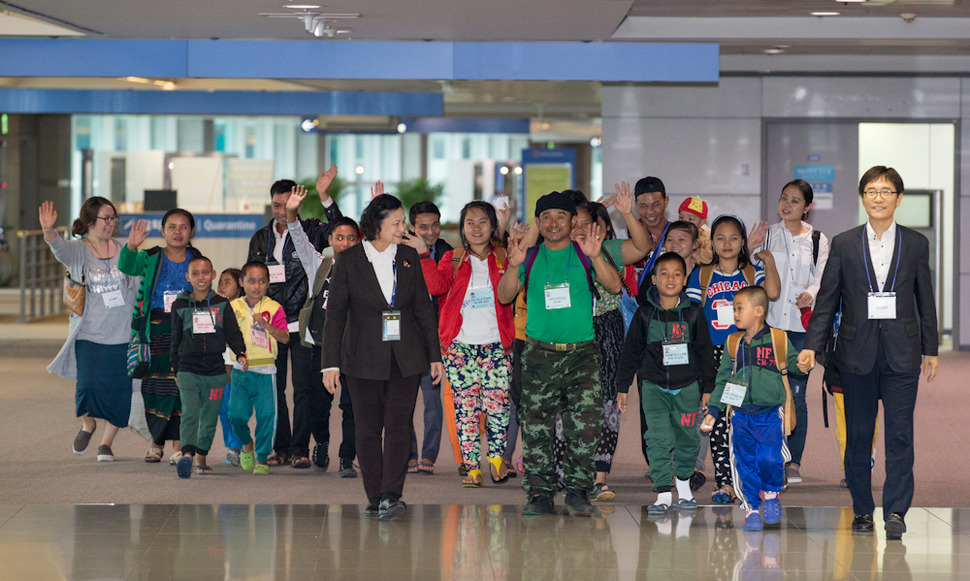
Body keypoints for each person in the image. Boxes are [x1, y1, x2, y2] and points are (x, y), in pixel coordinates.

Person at [798, 165, 939, 540]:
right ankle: (862, 508)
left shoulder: (915, 243)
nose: (879, 198)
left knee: (899, 435)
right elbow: (827, 301)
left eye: (886, 191)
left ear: (899, 198)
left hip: (902, 354)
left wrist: (932, 349)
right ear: (863, 197)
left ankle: (895, 510)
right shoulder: (844, 243)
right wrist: (812, 346)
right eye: (872, 191)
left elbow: (925, 298)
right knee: (858, 435)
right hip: (855, 354)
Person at [496, 190, 621, 517]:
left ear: (571, 222)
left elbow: (614, 286)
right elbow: (505, 296)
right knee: (536, 426)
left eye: (560, 217)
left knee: (584, 425)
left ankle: (579, 490)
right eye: (546, 217)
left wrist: (596, 257)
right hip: (539, 355)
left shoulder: (584, 253)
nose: (553, 223)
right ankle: (540, 493)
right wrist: (512, 267)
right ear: (538, 222)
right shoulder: (530, 256)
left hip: (582, 356)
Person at [322, 194, 444, 521]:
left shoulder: (408, 255)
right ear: (377, 224)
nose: (404, 227)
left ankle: (393, 494)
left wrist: (435, 356)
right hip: (361, 357)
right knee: (367, 429)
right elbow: (335, 314)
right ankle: (374, 496)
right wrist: (330, 363)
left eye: (403, 222)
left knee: (400, 426)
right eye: (398, 222)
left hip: (406, 355)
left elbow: (421, 307)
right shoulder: (348, 260)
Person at [247, 167, 343, 469]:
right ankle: (282, 447)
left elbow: (343, 232)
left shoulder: (312, 230)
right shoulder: (260, 238)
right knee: (273, 391)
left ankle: (301, 448)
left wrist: (326, 197)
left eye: (287, 205)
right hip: (268, 326)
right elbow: (250, 277)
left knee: (303, 388)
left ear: (297, 204)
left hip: (302, 326)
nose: (281, 211)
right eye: (277, 205)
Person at [414, 201, 514, 487]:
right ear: (462, 228)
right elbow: (436, 287)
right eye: (470, 222)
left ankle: (496, 459)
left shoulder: (504, 257)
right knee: (465, 409)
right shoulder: (453, 258)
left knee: (498, 407)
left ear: (492, 226)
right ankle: (472, 467)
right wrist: (423, 253)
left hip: (497, 346)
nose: (476, 228)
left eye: (483, 221)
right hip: (460, 348)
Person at [686, 214, 780, 504]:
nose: (727, 244)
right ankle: (726, 482)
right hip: (715, 357)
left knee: (745, 418)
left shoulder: (752, 274)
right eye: (720, 238)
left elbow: (773, 293)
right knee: (717, 418)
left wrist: (768, 261)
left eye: (734, 238)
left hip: (747, 355)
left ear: (742, 243)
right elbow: (691, 318)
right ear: (711, 242)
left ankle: (753, 481)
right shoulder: (701, 275)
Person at [616, 252, 715, 514]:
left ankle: (683, 486)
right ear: (653, 279)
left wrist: (707, 390)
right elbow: (630, 353)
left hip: (688, 388)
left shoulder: (694, 314)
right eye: (664, 273)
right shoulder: (644, 314)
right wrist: (622, 387)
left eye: (677, 274)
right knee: (657, 438)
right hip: (653, 387)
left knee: (687, 439)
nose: (670, 279)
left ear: (685, 281)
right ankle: (662, 492)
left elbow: (705, 354)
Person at [41, 198, 139, 462]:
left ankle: (106, 444)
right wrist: (49, 231)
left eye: (113, 217)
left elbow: (142, 277)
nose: (112, 223)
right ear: (90, 221)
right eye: (106, 218)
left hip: (122, 335)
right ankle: (88, 424)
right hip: (89, 334)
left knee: (120, 391)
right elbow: (59, 249)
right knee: (86, 387)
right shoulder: (78, 251)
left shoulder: (124, 250)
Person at [572, 185, 650, 501]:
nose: (577, 228)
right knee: (571, 408)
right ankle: (572, 474)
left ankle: (600, 476)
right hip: (570, 332)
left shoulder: (611, 249)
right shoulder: (556, 251)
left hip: (607, 332)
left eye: (583, 221)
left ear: (598, 225)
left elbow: (643, 247)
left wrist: (628, 213)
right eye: (571, 221)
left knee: (607, 405)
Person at [701, 285, 800, 531]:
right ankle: (752, 509)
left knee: (769, 459)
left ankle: (771, 493)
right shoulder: (733, 343)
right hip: (740, 416)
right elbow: (723, 379)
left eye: (739, 308)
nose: (734, 313)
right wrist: (713, 411)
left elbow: (796, 367)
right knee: (745, 464)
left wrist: (804, 362)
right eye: (734, 309)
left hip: (770, 415)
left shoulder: (778, 339)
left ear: (758, 311)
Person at [284, 183, 362, 478]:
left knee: (352, 405)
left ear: (358, 241)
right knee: (319, 405)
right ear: (330, 240)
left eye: (350, 238)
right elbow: (299, 238)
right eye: (339, 238)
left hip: (354, 346)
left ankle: (346, 458)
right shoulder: (319, 263)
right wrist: (292, 213)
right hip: (319, 344)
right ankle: (323, 442)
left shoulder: (367, 270)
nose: (344, 243)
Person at [761, 179, 829, 485]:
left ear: (808, 207)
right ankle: (771, 455)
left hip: (802, 328)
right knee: (770, 393)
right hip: (772, 324)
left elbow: (821, 277)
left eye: (795, 201)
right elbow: (756, 273)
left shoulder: (817, 239)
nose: (787, 205)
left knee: (798, 396)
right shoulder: (767, 235)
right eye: (784, 198)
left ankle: (794, 461)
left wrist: (811, 294)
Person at [120, 208, 198, 464]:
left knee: (182, 387)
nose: (178, 232)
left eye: (183, 227)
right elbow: (127, 266)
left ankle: (179, 447)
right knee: (156, 387)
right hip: (156, 330)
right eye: (172, 226)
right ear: (163, 230)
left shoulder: (197, 259)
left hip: (187, 332)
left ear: (192, 232)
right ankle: (156, 443)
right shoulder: (151, 256)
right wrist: (131, 246)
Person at [169, 255, 248, 477]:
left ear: (213, 275)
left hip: (215, 371)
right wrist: (174, 367)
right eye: (195, 273)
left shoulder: (222, 304)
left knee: (210, 418)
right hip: (187, 370)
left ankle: (201, 457)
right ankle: (187, 455)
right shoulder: (180, 305)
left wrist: (241, 353)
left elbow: (233, 332)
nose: (201, 277)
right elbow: (174, 339)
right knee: (190, 414)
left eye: (205, 273)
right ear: (188, 277)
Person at [228, 261, 291, 475]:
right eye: (251, 281)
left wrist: (268, 326)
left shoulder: (274, 308)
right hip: (240, 370)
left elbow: (284, 338)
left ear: (268, 284)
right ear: (242, 282)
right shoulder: (233, 307)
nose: (256, 287)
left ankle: (262, 456)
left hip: (266, 372)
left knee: (267, 416)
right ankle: (247, 444)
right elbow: (225, 334)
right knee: (235, 415)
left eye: (262, 282)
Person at [407, 200, 452, 476]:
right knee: (404, 399)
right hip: (406, 336)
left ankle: (429, 455)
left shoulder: (448, 252)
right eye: (423, 227)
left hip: (436, 336)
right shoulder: (398, 250)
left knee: (433, 400)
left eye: (434, 225)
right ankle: (410, 454)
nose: (430, 231)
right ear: (412, 227)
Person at [216, 267, 244, 465]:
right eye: (220, 282)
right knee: (223, 408)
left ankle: (237, 446)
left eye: (228, 282)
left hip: (237, 367)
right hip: (220, 367)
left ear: (239, 287)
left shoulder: (242, 309)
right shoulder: (215, 306)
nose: (222, 286)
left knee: (235, 409)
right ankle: (231, 444)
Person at [677, 196, 713, 266]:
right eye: (681, 217)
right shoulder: (674, 235)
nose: (685, 222)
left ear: (702, 222)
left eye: (690, 219)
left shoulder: (707, 240)